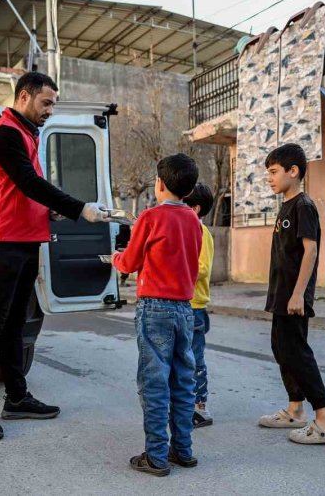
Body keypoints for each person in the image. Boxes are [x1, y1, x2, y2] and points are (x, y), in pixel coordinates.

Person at [0, 72, 110, 442]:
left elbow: (23, 194)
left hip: (25, 240)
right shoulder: (1, 134)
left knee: (17, 323)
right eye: (46, 103)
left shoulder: (27, 136)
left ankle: (16, 398)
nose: (50, 111)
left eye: (53, 104)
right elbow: (28, 183)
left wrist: (49, 213)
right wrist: (80, 208)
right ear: (24, 96)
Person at [113, 154, 202, 477]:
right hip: (184, 309)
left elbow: (130, 262)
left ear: (160, 184)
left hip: (154, 309)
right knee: (183, 380)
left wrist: (114, 257)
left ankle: (156, 456)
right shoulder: (194, 221)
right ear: (189, 191)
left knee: (154, 383)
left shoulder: (149, 218)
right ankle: (183, 450)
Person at [258, 143, 325, 445]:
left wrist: (297, 295)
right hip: (281, 294)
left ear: (293, 172)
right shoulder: (286, 205)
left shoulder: (303, 206)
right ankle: (295, 409)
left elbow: (311, 250)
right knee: (282, 349)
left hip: (293, 296)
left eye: (274, 172)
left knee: (297, 353)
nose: (269, 178)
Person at [183, 183, 215, 429]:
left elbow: (202, 268)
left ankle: (200, 407)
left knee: (195, 358)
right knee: (184, 358)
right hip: (183, 303)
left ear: (194, 208)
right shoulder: (187, 229)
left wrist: (174, 271)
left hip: (194, 305)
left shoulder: (200, 231)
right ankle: (186, 404)